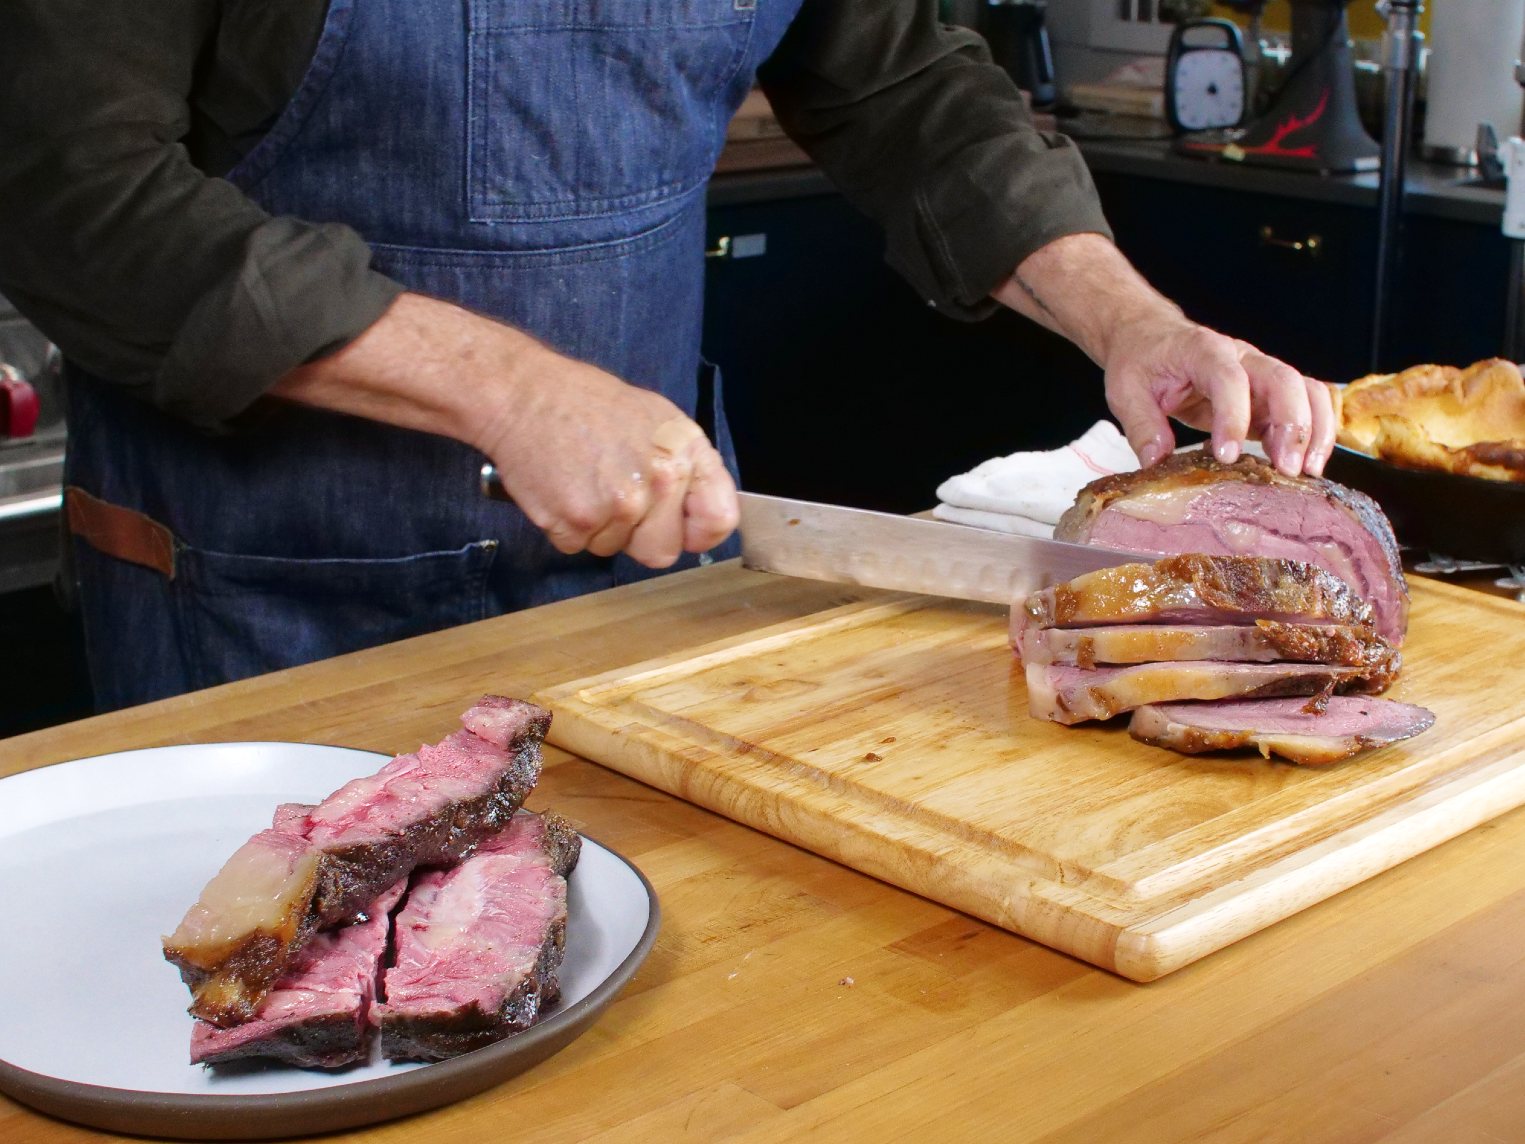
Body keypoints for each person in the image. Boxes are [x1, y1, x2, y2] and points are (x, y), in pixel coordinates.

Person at [0, 1, 1335, 711]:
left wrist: (1128, 320)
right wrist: (507, 387)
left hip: (643, 578)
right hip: (262, 590)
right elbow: (65, 187)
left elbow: (906, 93)